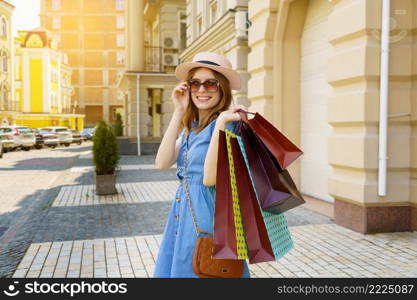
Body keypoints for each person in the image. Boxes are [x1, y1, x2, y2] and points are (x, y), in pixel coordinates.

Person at [153, 52, 250, 278]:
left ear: (222, 88)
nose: (202, 90)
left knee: (204, 270)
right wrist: (178, 111)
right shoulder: (193, 127)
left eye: (211, 84)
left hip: (207, 216)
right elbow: (161, 162)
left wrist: (222, 123)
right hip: (183, 213)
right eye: (195, 83)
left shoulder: (229, 126)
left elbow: (210, 178)